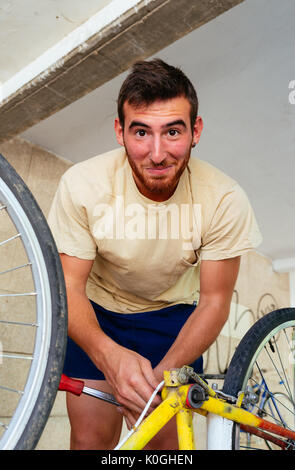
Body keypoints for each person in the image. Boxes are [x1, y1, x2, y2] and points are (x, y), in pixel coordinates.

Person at [48, 58, 262, 450]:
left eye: (173, 131)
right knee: (90, 441)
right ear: (119, 131)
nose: (158, 153)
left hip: (172, 322)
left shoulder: (225, 199)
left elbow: (214, 302)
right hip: (96, 313)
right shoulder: (82, 185)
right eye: (142, 132)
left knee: (162, 446)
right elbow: (69, 288)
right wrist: (109, 357)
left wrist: (162, 380)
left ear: (196, 131)